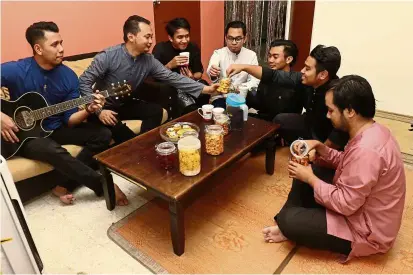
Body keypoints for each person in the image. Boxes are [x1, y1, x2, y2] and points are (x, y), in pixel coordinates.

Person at [263, 75, 406, 261]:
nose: (327, 115)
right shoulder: (373, 130)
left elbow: (345, 204)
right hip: (358, 205)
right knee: (308, 170)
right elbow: (347, 163)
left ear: (350, 111)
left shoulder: (367, 150)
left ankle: (289, 223)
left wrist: (310, 179)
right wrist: (320, 147)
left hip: (365, 230)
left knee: (293, 216)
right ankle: (290, 222)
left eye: (331, 110)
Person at [0, 21, 128, 206]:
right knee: (52, 149)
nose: (61, 49)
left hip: (56, 127)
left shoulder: (68, 76)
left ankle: (64, 184)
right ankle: (104, 186)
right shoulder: (17, 70)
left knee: (103, 134)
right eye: (54, 44)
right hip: (26, 135)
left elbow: (70, 120)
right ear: (38, 48)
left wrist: (88, 110)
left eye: (61, 42)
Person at [80, 15, 219, 144]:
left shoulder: (148, 60)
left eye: (151, 37)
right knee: (125, 136)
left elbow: (172, 77)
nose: (151, 41)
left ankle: (146, 143)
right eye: (147, 37)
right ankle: (138, 148)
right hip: (104, 107)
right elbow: (83, 82)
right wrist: (99, 111)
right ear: (131, 37)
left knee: (156, 111)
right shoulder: (107, 57)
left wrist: (206, 89)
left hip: (125, 104)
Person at [226, 44, 348, 149]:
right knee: (281, 120)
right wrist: (244, 67)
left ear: (322, 75)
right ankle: (290, 141)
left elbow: (340, 133)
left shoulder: (337, 93)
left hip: (325, 134)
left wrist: (320, 151)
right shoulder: (306, 79)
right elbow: (273, 76)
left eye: (307, 68)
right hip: (311, 123)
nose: (302, 71)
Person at [152, 17, 209, 113]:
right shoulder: (160, 49)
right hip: (170, 86)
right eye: (180, 37)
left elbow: (198, 72)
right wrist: (170, 65)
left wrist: (192, 77)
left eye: (187, 36)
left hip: (189, 83)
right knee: (188, 106)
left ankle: (201, 114)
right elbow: (154, 76)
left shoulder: (192, 47)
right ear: (170, 38)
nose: (185, 40)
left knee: (205, 87)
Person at [247, 39, 305, 122]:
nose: (270, 60)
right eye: (269, 56)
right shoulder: (267, 77)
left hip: (283, 126)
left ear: (288, 59)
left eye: (275, 57)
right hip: (263, 121)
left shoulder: (296, 81)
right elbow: (259, 104)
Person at [206, 21, 260, 108]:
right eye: (230, 38)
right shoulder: (218, 53)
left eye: (238, 39)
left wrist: (241, 88)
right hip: (221, 96)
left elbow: (255, 80)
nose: (234, 42)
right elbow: (211, 69)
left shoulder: (251, 55)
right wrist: (213, 74)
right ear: (225, 38)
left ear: (245, 38)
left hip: (242, 96)